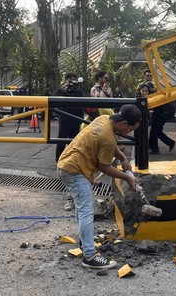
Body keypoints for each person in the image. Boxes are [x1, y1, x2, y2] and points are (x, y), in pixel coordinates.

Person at [57, 104, 140, 269]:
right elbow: (104, 166)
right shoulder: (107, 138)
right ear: (124, 123)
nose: (130, 133)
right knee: (87, 211)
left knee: (82, 208)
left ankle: (85, 242)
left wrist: (123, 158)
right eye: (131, 129)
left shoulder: (104, 120)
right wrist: (126, 177)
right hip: (75, 170)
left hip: (67, 164)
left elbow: (112, 145)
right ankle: (89, 256)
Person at [55, 73, 85, 162]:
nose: (72, 81)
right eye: (70, 79)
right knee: (61, 140)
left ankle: (73, 158)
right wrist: (65, 91)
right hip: (65, 119)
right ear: (66, 80)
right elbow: (57, 103)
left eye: (73, 79)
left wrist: (75, 91)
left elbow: (83, 101)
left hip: (76, 119)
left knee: (74, 140)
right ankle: (59, 158)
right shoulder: (61, 90)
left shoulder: (79, 91)